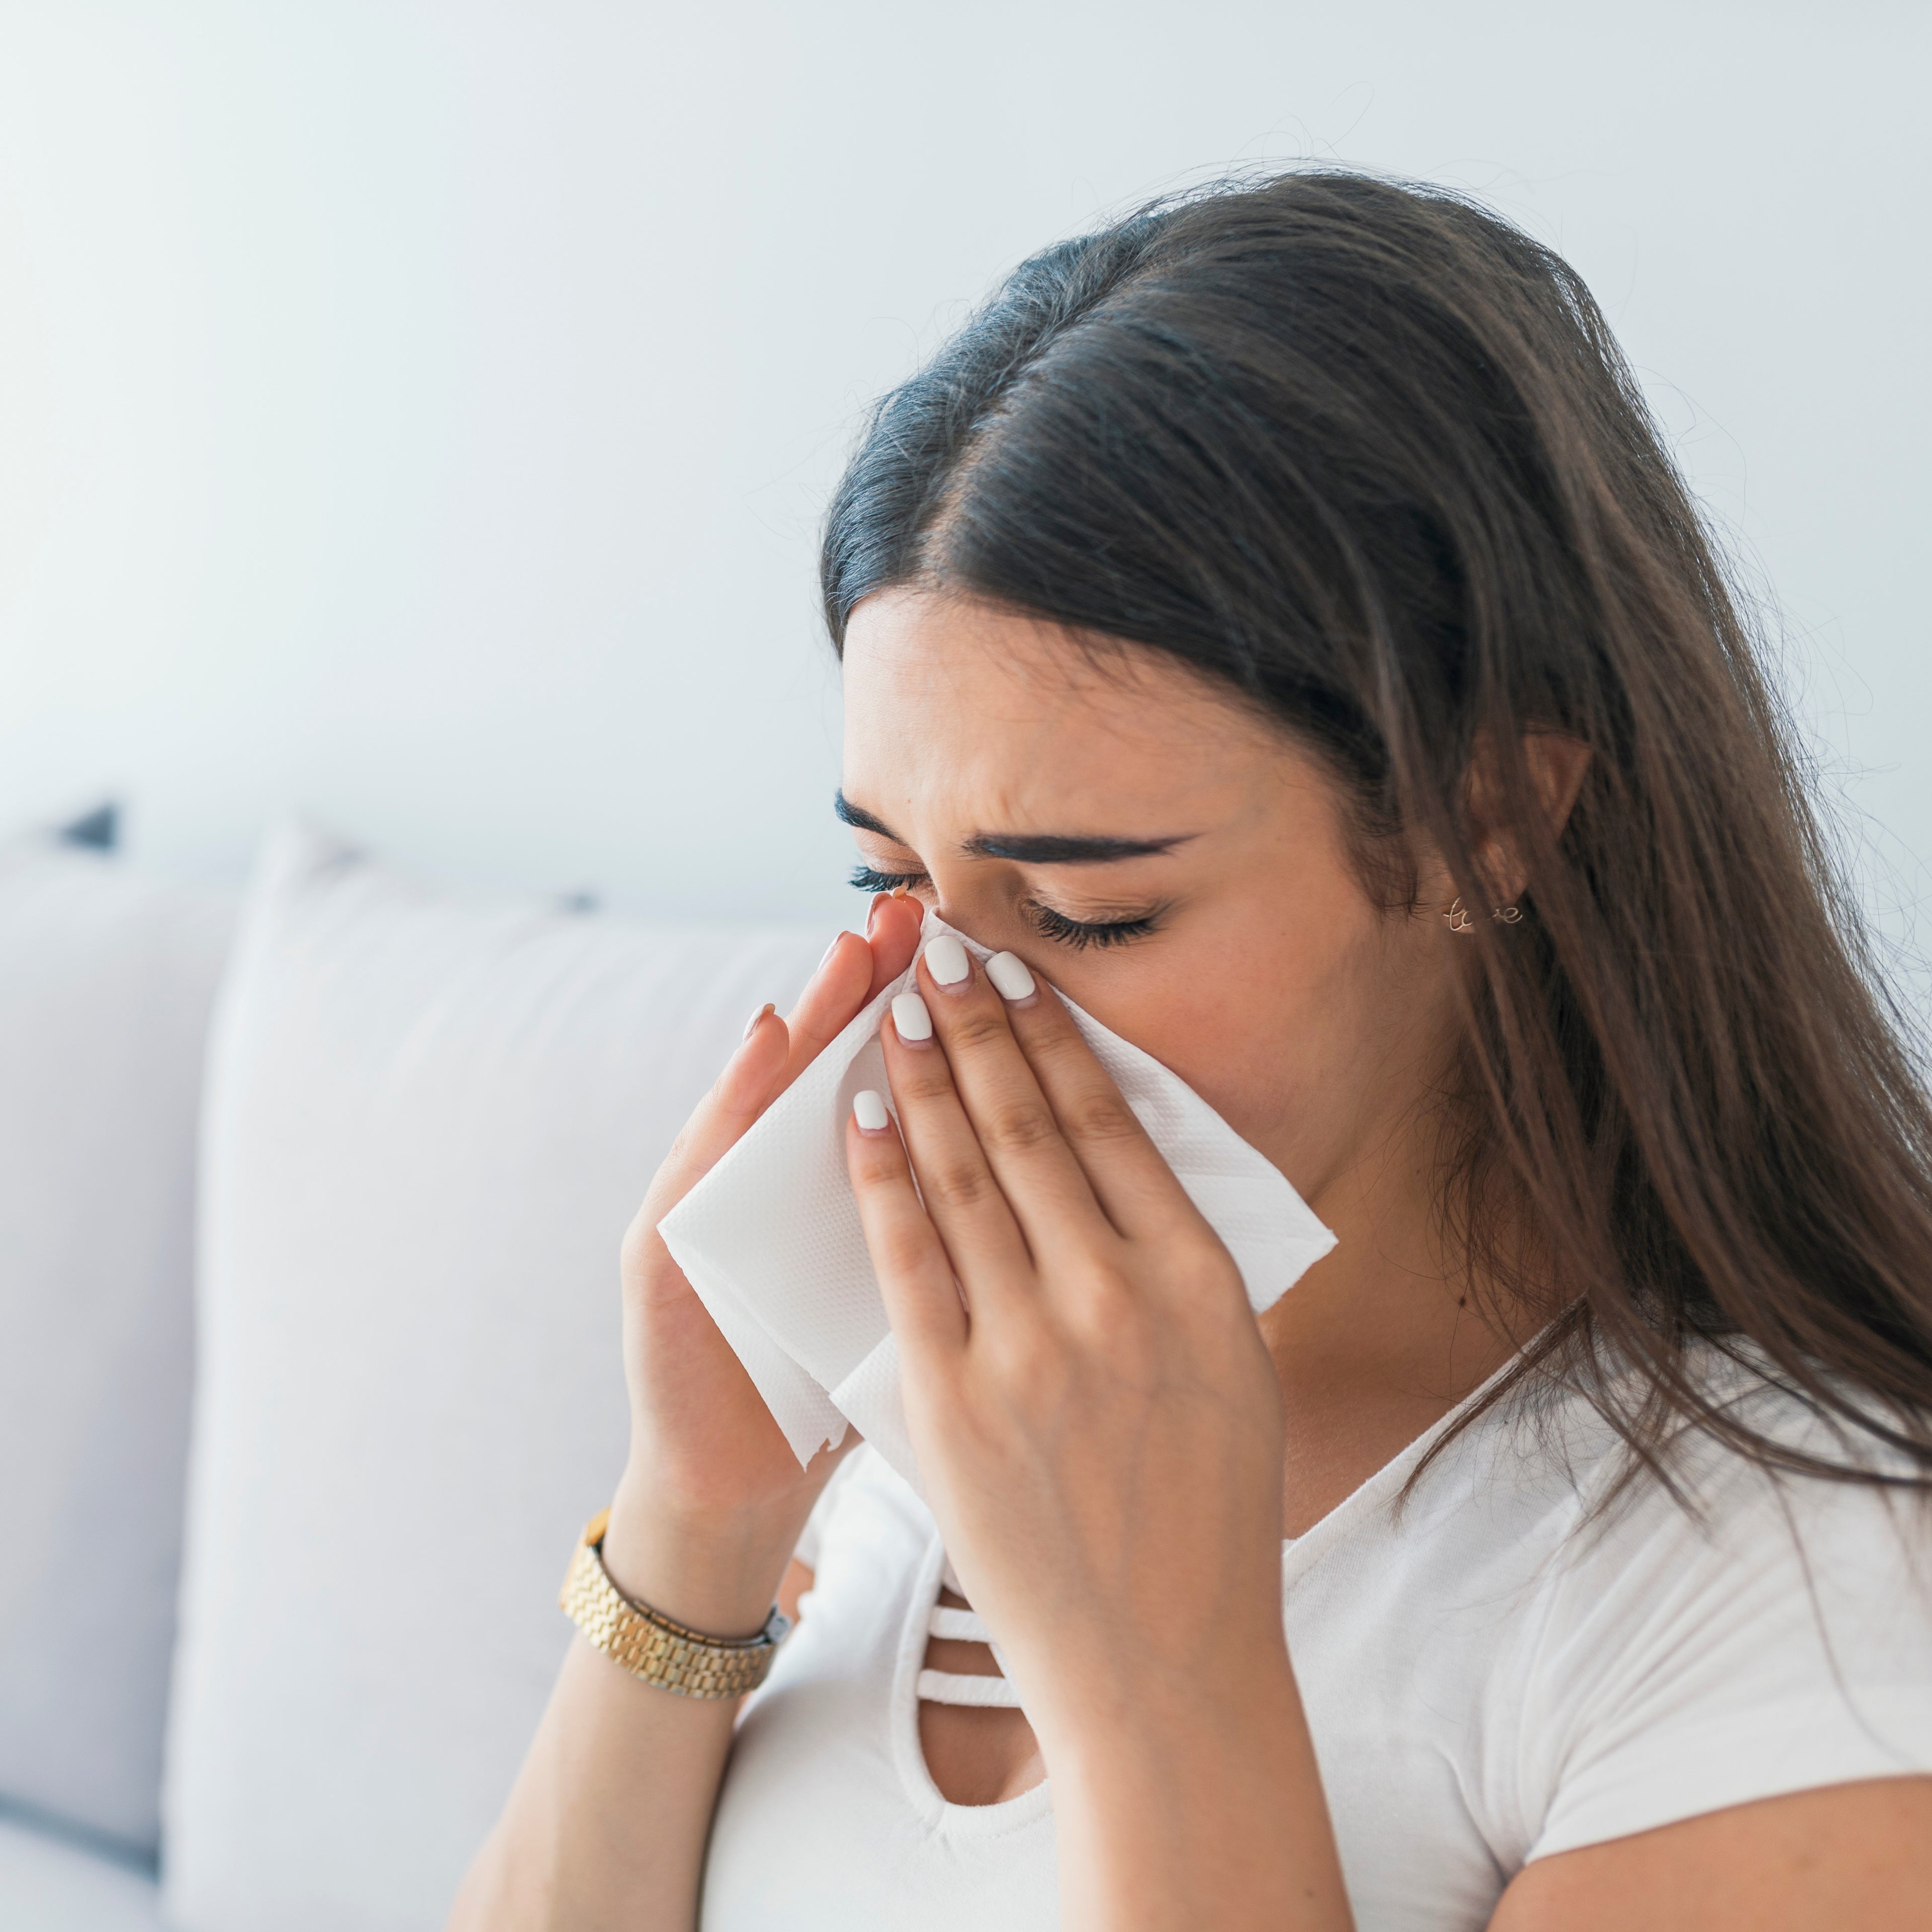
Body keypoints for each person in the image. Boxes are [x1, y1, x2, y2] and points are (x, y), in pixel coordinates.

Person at [449, 170, 1932, 1930]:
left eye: (1091, 914)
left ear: (1489, 824)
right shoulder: (936, 1404)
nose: (951, 1016)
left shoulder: (1801, 1584)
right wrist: (695, 1526)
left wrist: (1160, 1676)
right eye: (894, 879)